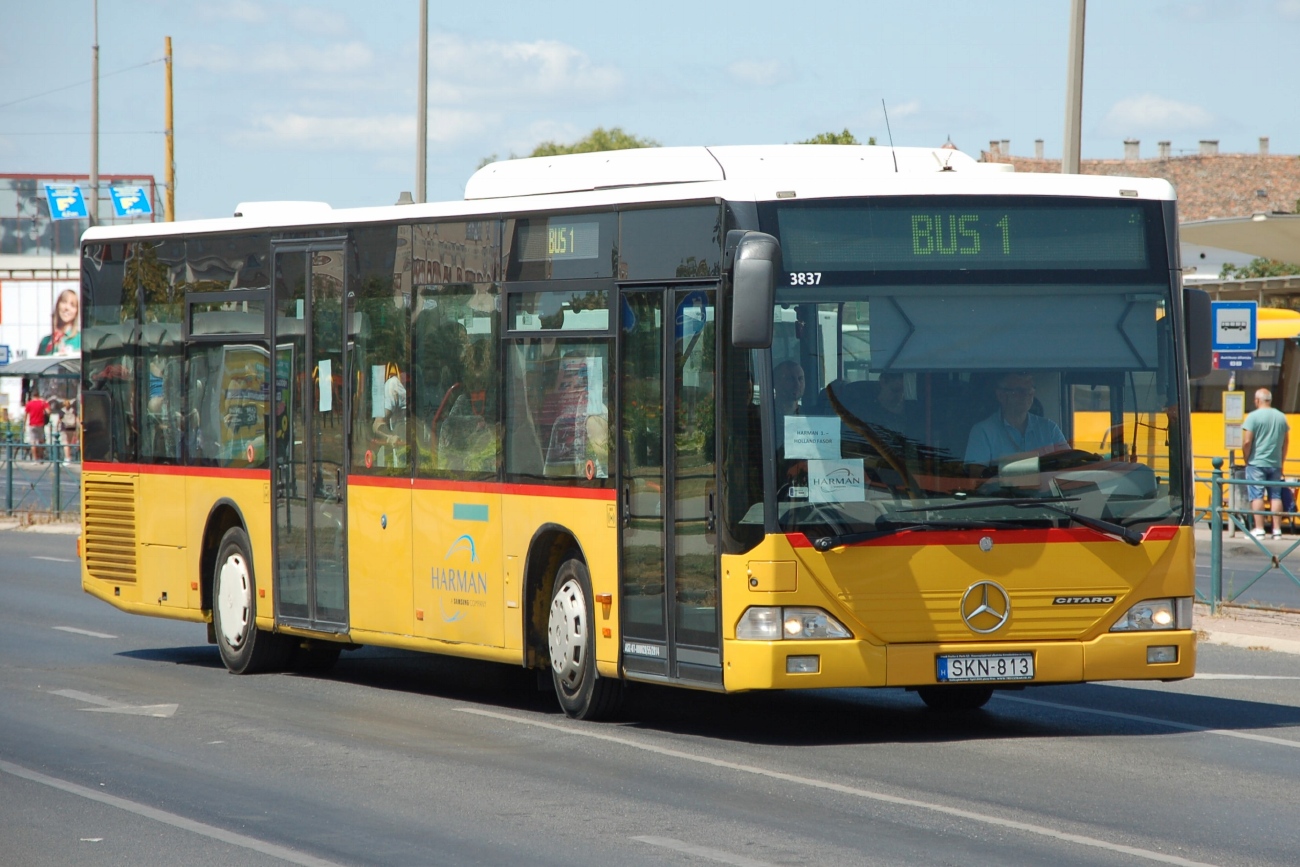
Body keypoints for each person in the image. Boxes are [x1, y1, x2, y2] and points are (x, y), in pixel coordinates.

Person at [964, 372, 1066, 470]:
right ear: (1001, 395)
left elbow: (1070, 468)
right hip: (997, 488)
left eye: (1029, 390)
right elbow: (976, 478)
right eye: (1019, 391)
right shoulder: (983, 432)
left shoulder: (1050, 429)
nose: (1026, 395)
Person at [1242, 387, 1290, 539]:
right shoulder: (1281, 417)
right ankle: (1277, 530)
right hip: (1275, 463)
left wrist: (1246, 459)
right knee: (1275, 496)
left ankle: (1260, 529)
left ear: (1257, 400)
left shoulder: (1253, 417)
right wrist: (1281, 461)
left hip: (1256, 462)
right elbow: (1286, 442)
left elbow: (1247, 441)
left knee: (1257, 495)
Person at [38, 289, 81, 356]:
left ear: (76, 311)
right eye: (64, 302)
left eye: (72, 305)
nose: (67, 307)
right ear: (58, 305)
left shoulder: (80, 340)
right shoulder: (45, 341)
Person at [24, 391, 50, 461]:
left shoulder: (29, 403)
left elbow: (26, 415)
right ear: (38, 395)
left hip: (32, 424)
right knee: (41, 441)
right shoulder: (42, 402)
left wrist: (24, 425)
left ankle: (34, 459)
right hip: (40, 424)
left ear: (32, 396)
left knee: (33, 442)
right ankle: (40, 458)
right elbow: (48, 412)